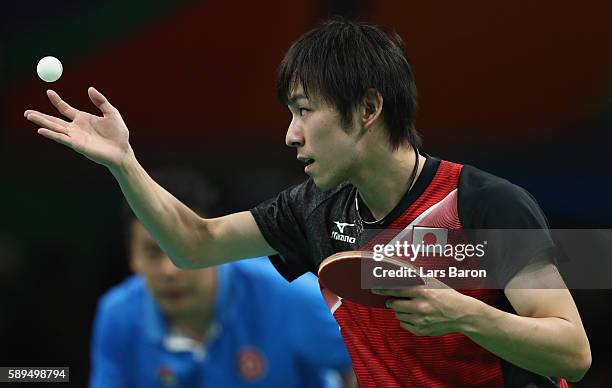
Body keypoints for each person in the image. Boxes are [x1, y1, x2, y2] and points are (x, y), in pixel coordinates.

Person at [26, 18, 591, 387]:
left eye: (304, 110)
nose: (290, 135)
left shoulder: (485, 204)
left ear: (368, 108)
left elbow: (572, 351)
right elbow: (194, 244)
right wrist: (125, 163)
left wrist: (465, 312)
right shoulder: (315, 208)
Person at [88, 168, 353, 388]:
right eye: (153, 252)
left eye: (179, 251)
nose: (170, 270)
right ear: (131, 256)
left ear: (212, 244)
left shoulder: (289, 294)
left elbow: (367, 363)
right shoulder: (118, 315)